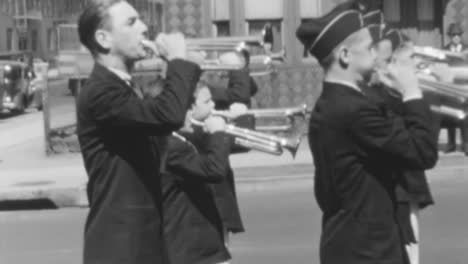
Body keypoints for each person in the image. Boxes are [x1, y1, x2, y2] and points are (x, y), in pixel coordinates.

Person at [296, 8, 438, 264]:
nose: (376, 53)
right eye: (369, 46)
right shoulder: (354, 110)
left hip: (349, 245)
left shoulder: (334, 102)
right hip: (369, 251)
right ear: (345, 55)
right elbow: (423, 151)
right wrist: (411, 90)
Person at [76, 1, 202, 263]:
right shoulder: (101, 91)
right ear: (103, 38)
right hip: (122, 248)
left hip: (143, 242)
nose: (145, 28)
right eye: (131, 22)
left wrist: (186, 69)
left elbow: (164, 123)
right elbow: (168, 115)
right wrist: (178, 61)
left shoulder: (123, 87)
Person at [361, 13, 438, 264]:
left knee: (412, 245)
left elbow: (427, 133)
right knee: (407, 247)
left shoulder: (396, 91)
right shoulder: (379, 95)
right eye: (408, 60)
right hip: (397, 186)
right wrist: (410, 91)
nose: (413, 66)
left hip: (409, 183)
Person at [162, 81, 233, 264]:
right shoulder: (171, 146)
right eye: (187, 109)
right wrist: (218, 134)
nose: (190, 114)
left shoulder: (178, 140)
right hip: (193, 247)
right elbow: (214, 170)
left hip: (200, 243)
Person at [442, 23, 468, 154]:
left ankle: (466, 143)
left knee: (465, 116)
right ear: (450, 36)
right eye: (453, 35)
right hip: (450, 86)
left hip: (464, 87)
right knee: (450, 115)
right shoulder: (444, 50)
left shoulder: (466, 50)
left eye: (458, 34)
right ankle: (451, 143)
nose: (456, 37)